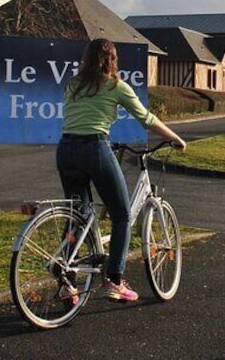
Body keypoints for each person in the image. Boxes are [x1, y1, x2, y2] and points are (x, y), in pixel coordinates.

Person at [56, 38, 187, 303]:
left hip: (66, 149)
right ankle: (114, 280)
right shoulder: (116, 86)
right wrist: (176, 137)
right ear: (112, 60)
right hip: (94, 148)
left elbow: (81, 116)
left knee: (78, 214)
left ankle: (66, 279)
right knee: (122, 215)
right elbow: (146, 118)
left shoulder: (73, 84)